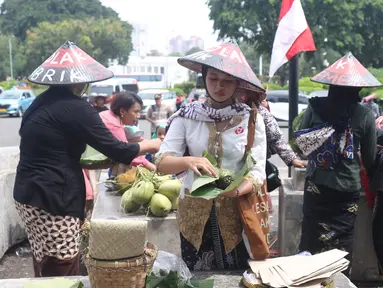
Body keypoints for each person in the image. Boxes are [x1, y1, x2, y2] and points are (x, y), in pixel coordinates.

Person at [13, 41, 161, 278]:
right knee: (62, 263)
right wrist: (152, 145)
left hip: (28, 194)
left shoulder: (41, 102)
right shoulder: (75, 107)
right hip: (52, 197)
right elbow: (119, 150)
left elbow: (51, 148)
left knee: (43, 257)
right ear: (79, 80)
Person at [156, 42, 267, 271]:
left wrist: (237, 190)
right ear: (204, 77)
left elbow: (258, 171)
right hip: (193, 218)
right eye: (213, 78)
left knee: (238, 277)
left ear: (237, 84)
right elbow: (161, 162)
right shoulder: (186, 116)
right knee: (196, 278)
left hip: (237, 216)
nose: (219, 86)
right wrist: (188, 161)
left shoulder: (251, 119)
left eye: (227, 80)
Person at [295, 52, 378, 276]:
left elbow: (301, 145)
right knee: (341, 246)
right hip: (347, 189)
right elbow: (369, 158)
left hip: (316, 185)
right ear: (357, 89)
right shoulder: (365, 115)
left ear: (331, 85)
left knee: (311, 241)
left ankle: (306, 280)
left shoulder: (315, 107)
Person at [236, 85, 306, 212]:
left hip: (253, 168)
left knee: (252, 208)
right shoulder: (227, 111)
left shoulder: (261, 113)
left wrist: (292, 159)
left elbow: (277, 138)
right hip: (231, 168)